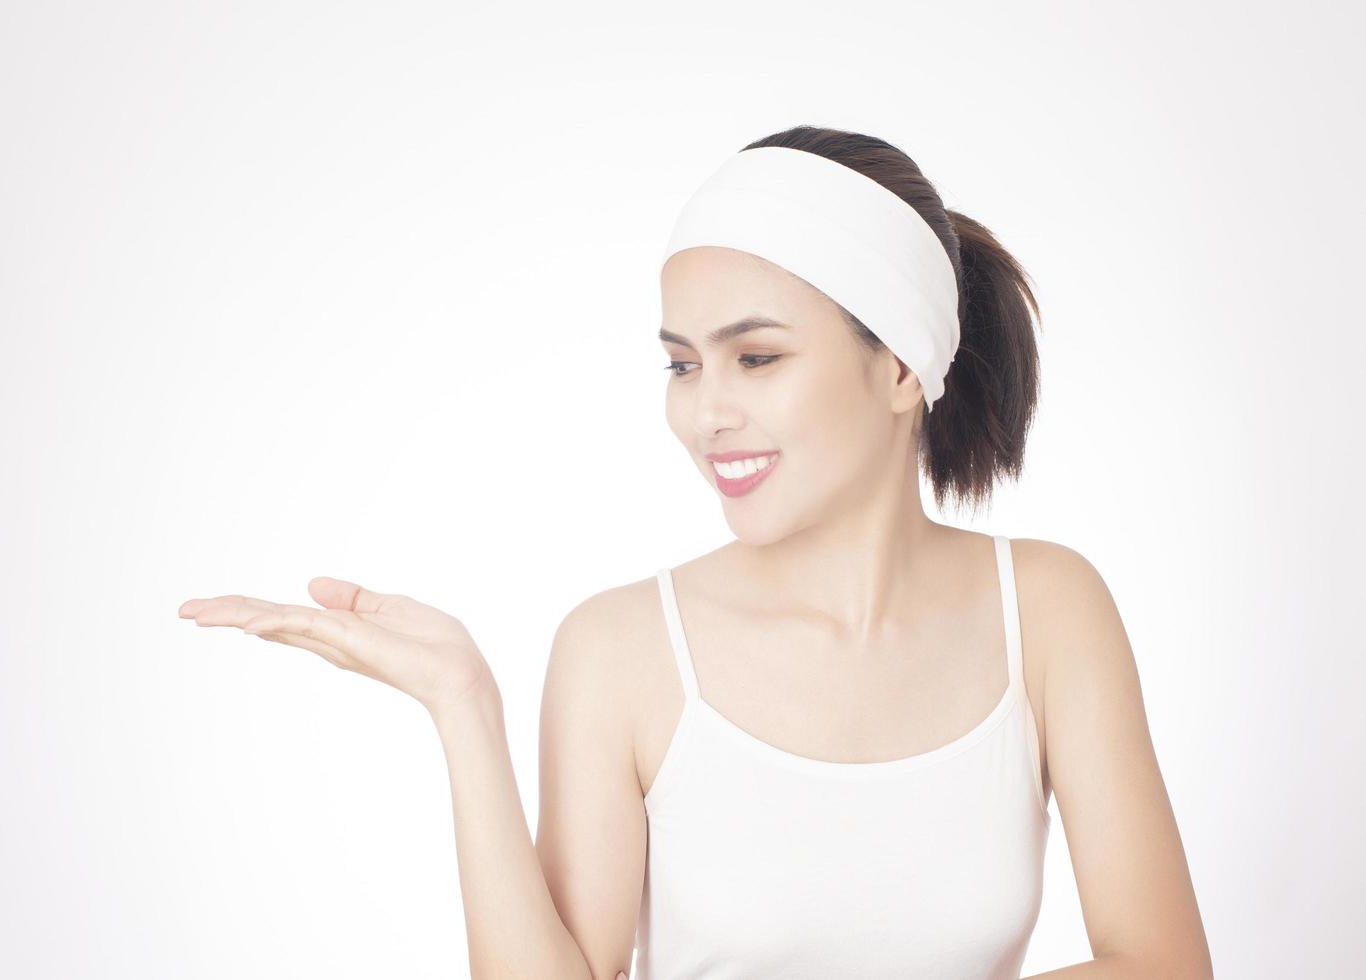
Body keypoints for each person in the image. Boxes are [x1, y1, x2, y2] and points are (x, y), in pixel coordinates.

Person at [178, 125, 1212, 979]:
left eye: (755, 357)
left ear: (901, 369)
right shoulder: (620, 648)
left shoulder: (1047, 608)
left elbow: (1164, 963)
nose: (706, 412)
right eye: (682, 363)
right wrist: (464, 706)